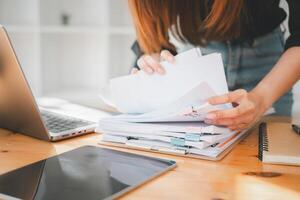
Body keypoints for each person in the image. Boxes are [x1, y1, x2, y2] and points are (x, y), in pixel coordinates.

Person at [127, 0, 300, 131]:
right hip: (196, 56)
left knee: (268, 153)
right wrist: (155, 60)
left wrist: (261, 99)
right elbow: (153, 24)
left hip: (267, 64)